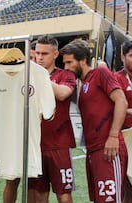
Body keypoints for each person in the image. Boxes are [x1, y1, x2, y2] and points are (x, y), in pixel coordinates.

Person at [60, 39, 128, 203]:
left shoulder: (100, 74)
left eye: (69, 62)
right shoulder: (84, 83)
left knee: (110, 200)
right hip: (94, 151)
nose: (66, 68)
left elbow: (122, 101)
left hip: (109, 150)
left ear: (83, 60)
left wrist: (112, 136)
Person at [27, 35, 76, 203]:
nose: (39, 57)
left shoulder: (65, 75)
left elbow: (63, 94)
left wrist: (41, 77)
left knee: (64, 195)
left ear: (55, 54)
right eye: (37, 53)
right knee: (39, 195)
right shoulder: (29, 77)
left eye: (44, 54)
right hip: (36, 145)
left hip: (59, 145)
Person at [114, 40, 132, 203]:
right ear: (123, 57)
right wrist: (127, 112)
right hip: (124, 138)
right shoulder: (115, 79)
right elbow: (111, 109)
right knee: (126, 185)